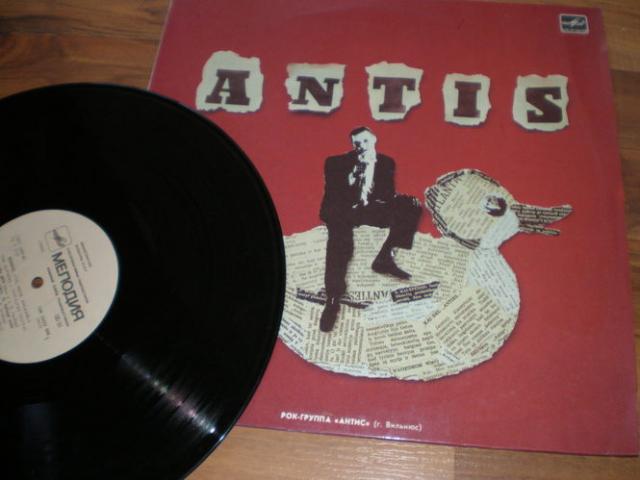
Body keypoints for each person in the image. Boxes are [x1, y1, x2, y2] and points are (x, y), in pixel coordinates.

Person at [319, 127, 422, 332]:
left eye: (365, 141)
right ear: (352, 145)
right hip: (343, 209)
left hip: (369, 208)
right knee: (340, 244)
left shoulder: (386, 162)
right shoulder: (335, 163)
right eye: (357, 143)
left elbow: (387, 195)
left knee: (411, 205)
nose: (361, 147)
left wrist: (396, 199)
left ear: (374, 140)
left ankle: (384, 258)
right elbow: (333, 193)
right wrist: (353, 178)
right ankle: (332, 299)